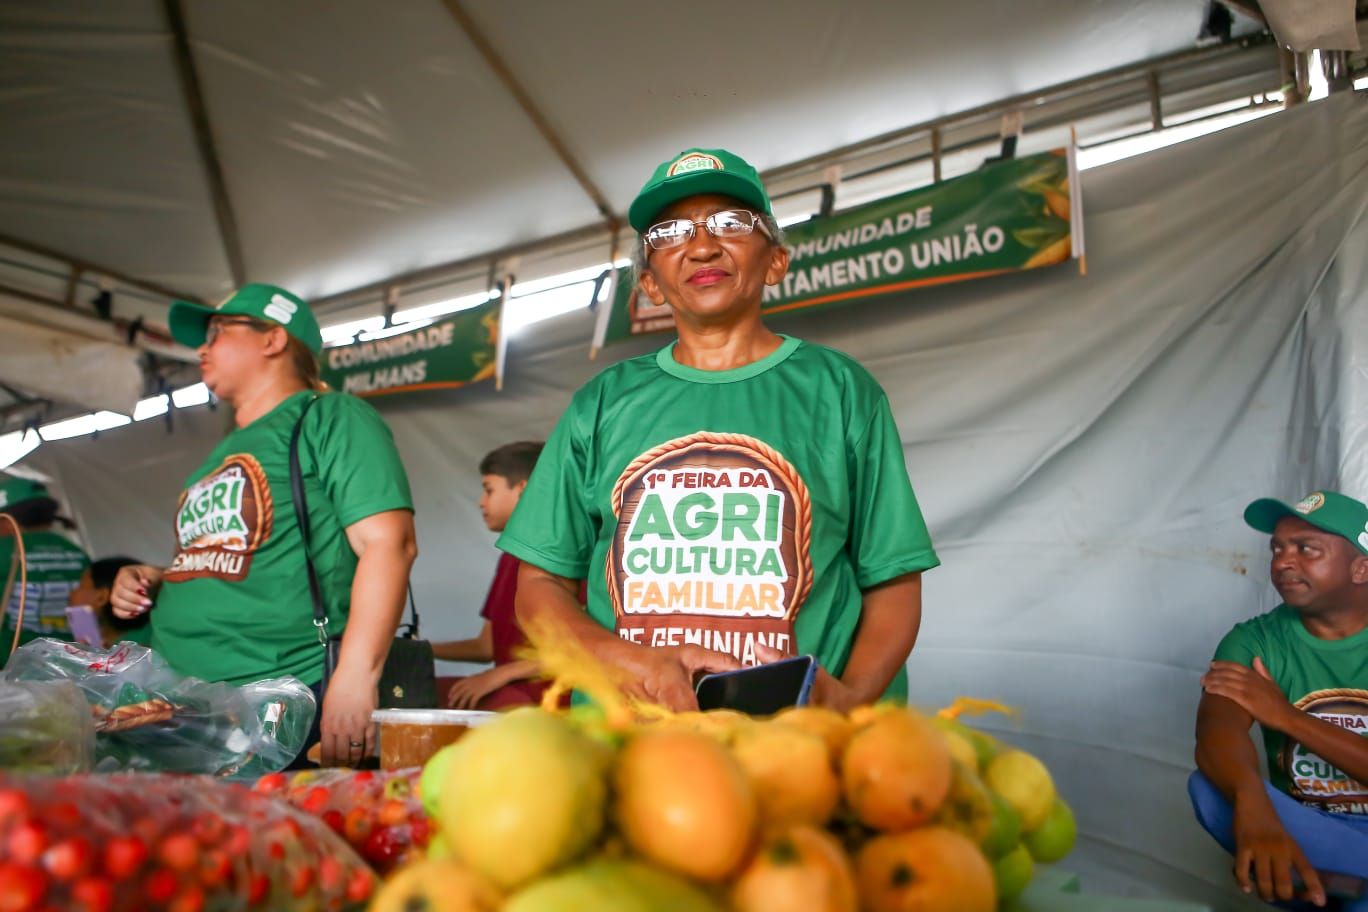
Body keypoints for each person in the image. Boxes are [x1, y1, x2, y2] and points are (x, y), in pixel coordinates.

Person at [499, 148, 939, 712]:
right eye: (671, 232)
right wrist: (636, 663)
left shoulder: (840, 391)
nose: (702, 245)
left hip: (797, 744)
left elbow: (893, 579)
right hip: (632, 737)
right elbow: (539, 589)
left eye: (731, 223)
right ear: (650, 284)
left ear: (776, 261)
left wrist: (848, 703)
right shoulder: (602, 403)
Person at [109, 284, 417, 767]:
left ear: (273, 339)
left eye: (217, 332)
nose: (201, 348)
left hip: (276, 696)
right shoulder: (219, 454)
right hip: (177, 699)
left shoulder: (329, 416)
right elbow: (224, 558)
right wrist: (156, 575)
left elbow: (389, 545)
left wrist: (355, 679)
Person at [1192, 490, 1368, 910]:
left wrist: (1286, 717)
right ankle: (1342, 886)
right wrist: (1252, 801)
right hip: (1315, 828)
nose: (1283, 562)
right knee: (1210, 788)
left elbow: (1280, 717)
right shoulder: (1255, 640)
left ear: (1361, 568)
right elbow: (1217, 728)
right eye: (1278, 548)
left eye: (1307, 549)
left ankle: (1343, 891)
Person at [433, 441, 554, 710]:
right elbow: (487, 647)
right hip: (510, 695)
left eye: (489, 490)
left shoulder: (563, 556)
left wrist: (501, 674)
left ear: (522, 490)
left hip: (548, 704)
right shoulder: (509, 558)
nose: (481, 502)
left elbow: (587, 648)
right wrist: (419, 652)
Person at [0, 476, 90, 665]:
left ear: (7, 520)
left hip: (10, 667)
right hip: (67, 666)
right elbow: (86, 626)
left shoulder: (4, 550)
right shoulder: (77, 554)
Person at [67, 556, 150, 648]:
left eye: (80, 586)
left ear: (102, 597)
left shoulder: (144, 649)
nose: (71, 593)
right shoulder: (90, 643)